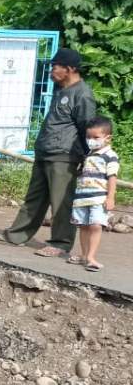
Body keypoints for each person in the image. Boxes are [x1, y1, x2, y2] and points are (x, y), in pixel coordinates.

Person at [0, 48, 96, 257]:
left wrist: (86, 157)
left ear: (70, 68)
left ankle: (61, 243)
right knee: (34, 198)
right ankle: (16, 235)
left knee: (61, 201)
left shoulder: (82, 95)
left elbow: (87, 128)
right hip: (45, 152)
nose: (51, 71)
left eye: (56, 67)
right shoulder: (60, 90)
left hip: (64, 156)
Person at [68, 116, 119, 272]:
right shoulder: (89, 155)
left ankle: (91, 257)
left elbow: (112, 178)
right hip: (82, 197)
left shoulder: (110, 156)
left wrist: (110, 197)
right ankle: (84, 255)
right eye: (89, 137)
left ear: (107, 138)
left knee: (96, 225)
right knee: (83, 226)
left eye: (96, 137)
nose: (91, 140)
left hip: (99, 198)